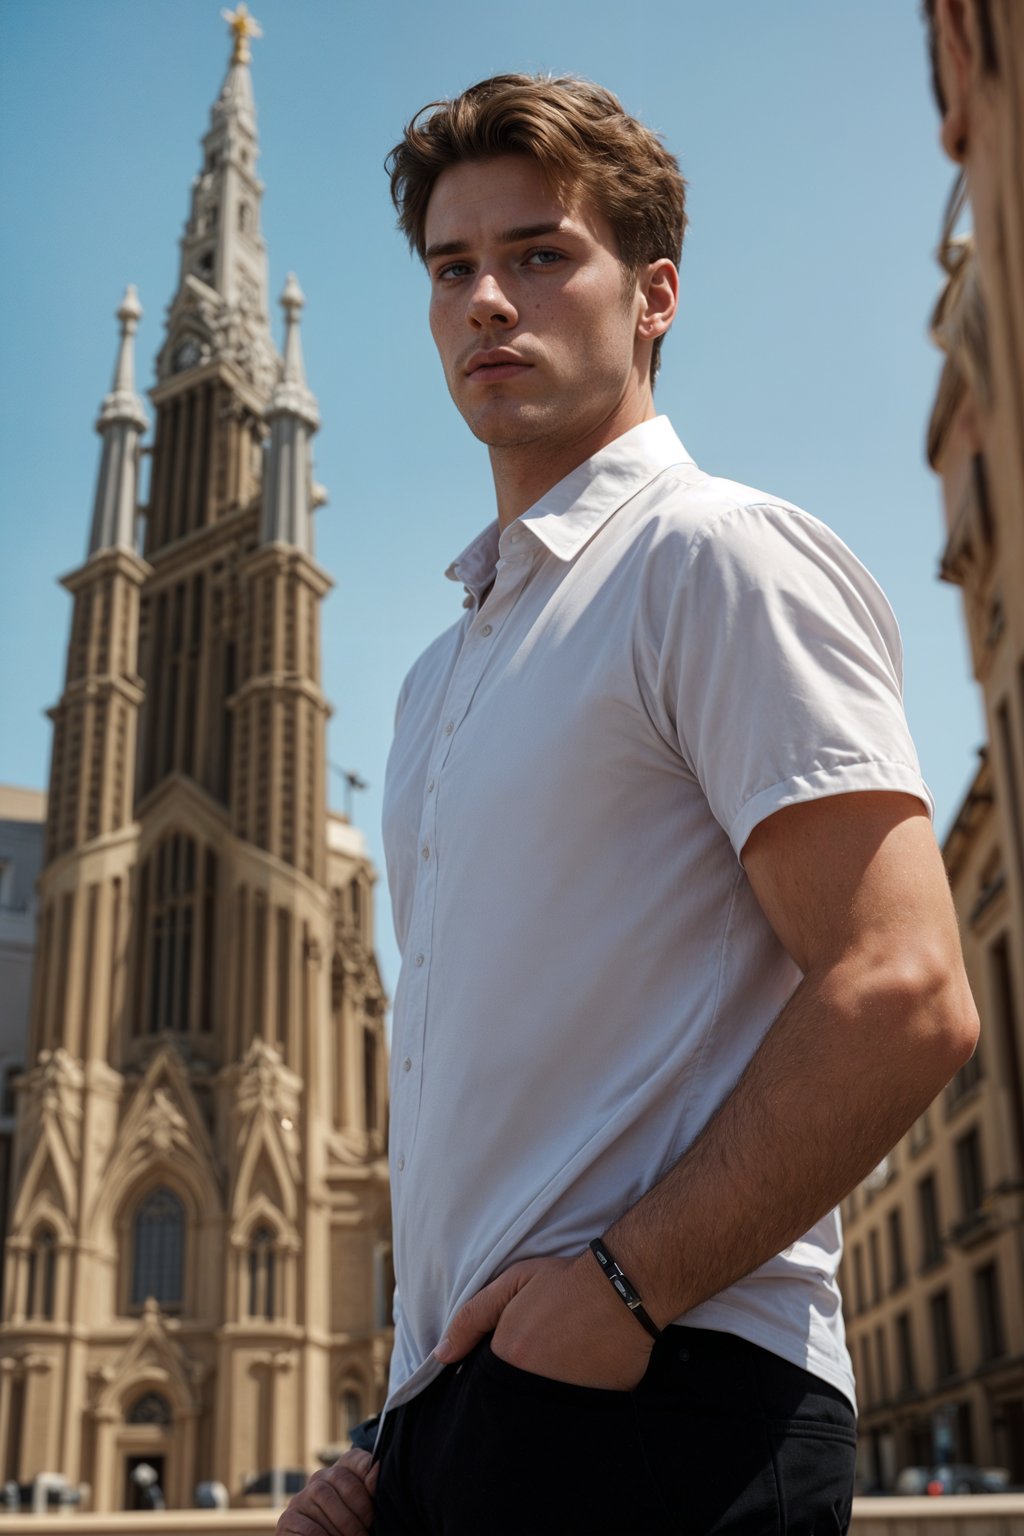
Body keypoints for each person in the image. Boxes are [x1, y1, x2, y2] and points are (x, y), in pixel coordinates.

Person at [279, 74, 977, 1536]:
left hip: (669, 1398)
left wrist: (621, 1289)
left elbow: (904, 986)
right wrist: (394, 1438)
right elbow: (507, 1112)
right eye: (453, 267)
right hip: (475, 1416)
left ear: (653, 294)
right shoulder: (435, 674)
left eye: (541, 255)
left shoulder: (717, 557)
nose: (487, 301)